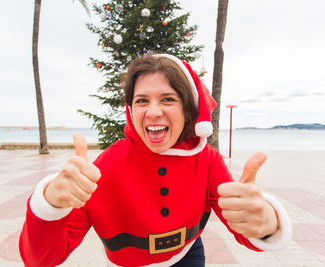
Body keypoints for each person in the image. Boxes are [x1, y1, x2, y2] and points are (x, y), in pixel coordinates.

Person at [19, 54, 292, 267]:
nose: (152, 112)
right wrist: (50, 202)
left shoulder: (206, 160)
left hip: (188, 256)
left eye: (168, 99)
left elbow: (246, 231)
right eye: (141, 101)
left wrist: (268, 221)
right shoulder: (104, 166)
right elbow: (41, 260)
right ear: (130, 109)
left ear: (188, 109)